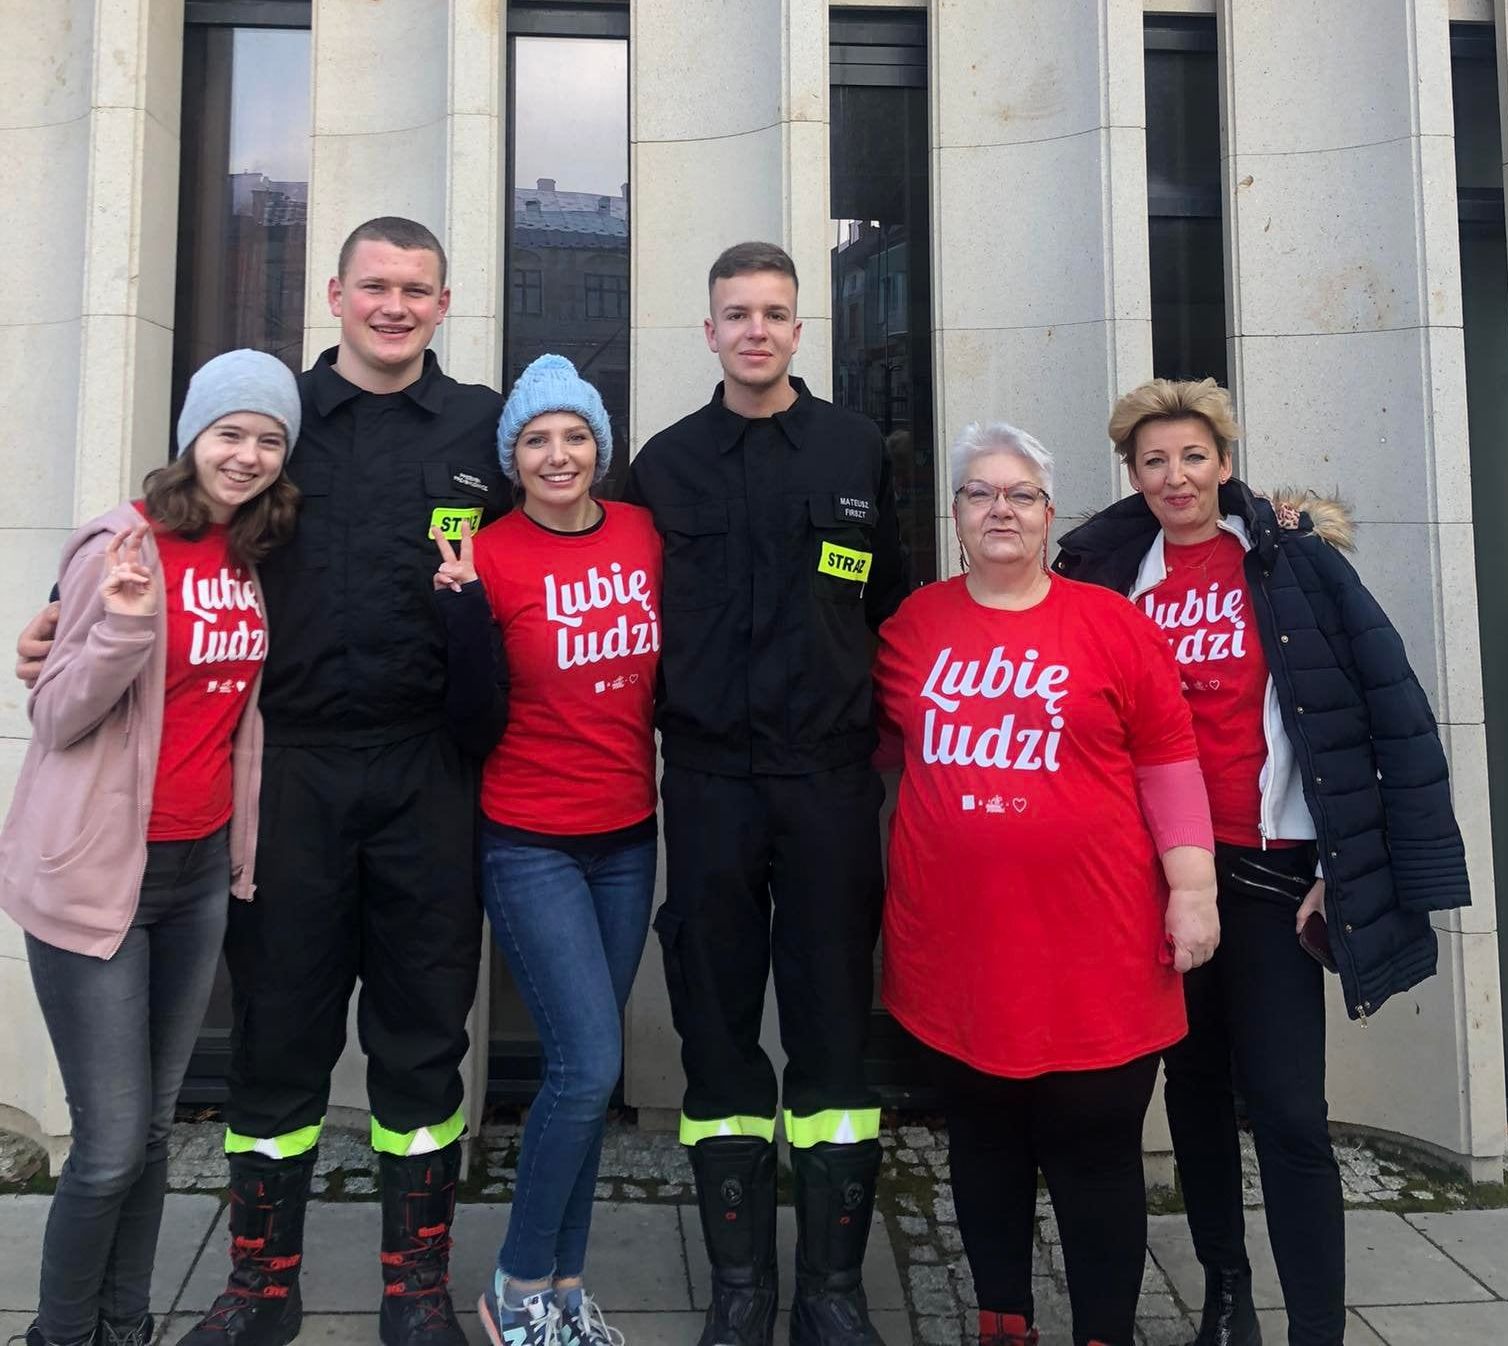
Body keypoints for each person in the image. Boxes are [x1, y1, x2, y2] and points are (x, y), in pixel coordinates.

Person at [16, 218, 511, 1346]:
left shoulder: (481, 423)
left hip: (429, 772)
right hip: (282, 773)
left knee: (425, 1034)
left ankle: (416, 1287)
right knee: (279, 1034)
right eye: (374, 285)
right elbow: (166, 524)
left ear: (445, 302)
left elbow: (552, 549)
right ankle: (259, 1285)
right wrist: (59, 612)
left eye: (417, 289)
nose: (394, 305)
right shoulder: (273, 419)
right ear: (334, 293)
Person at [1053, 379, 1472, 1346]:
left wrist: (1347, 864)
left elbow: (1386, 712)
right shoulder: (1114, 575)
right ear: (1134, 475)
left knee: (1287, 1111)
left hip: (1275, 874)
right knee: (1192, 1096)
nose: (1175, 476)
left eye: (1193, 456)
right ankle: (1226, 1294)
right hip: (1157, 880)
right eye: (1154, 460)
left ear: (1225, 463)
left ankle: (1317, 1327)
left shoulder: (1292, 564)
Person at [872, 421, 1220, 1346]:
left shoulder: (1112, 625)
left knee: (1097, 1150)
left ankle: (1104, 1329)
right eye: (980, 493)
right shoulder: (912, 628)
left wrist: (1194, 888)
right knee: (984, 1144)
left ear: (1047, 514)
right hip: (958, 947)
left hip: (1098, 949)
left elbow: (1170, 761)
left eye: (1019, 494)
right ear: (954, 516)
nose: (1000, 510)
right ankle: (1003, 1322)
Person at [622, 241, 907, 1346]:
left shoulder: (852, 449)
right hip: (705, 785)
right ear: (709, 331)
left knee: (836, 1030)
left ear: (799, 330)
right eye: (735, 312)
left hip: (830, 781)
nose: (755, 329)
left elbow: (883, 595)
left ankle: (831, 1291)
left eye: (774, 312)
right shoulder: (664, 463)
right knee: (718, 1029)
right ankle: (742, 1285)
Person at [0, 350, 300, 1346]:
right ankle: (61, 1332)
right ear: (191, 438)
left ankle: (124, 1323)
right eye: (231, 433)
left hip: (196, 868)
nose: (248, 454)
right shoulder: (118, 544)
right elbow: (55, 712)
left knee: (158, 1130)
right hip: (99, 874)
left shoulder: (249, 553)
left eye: (268, 439)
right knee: (108, 1144)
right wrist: (123, 631)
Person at [429, 354, 660, 1346]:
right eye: (536, 439)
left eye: (574, 436)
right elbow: (467, 706)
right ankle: (516, 1284)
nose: (558, 454)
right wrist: (458, 609)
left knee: (591, 1070)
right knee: (583, 1062)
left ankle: (562, 1286)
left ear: (599, 449)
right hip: (529, 837)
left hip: (627, 836)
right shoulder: (489, 552)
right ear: (512, 458)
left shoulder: (645, 533)